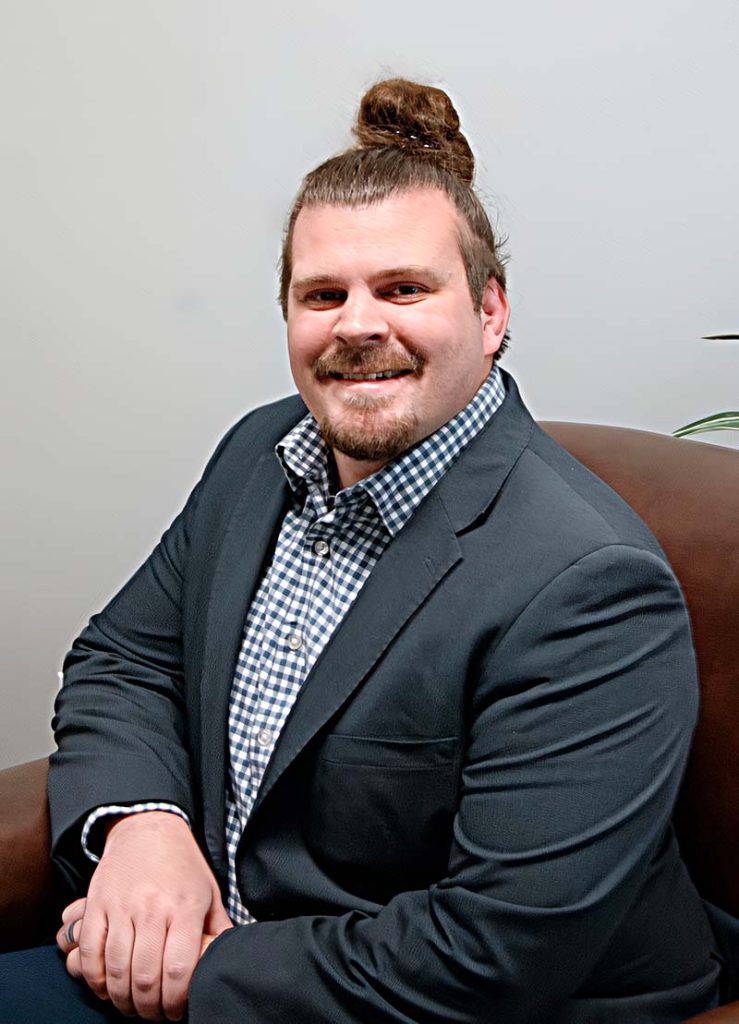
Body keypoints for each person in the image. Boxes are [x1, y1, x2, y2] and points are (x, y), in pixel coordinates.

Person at [0, 78, 724, 1023]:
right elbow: (126, 659)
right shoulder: (258, 452)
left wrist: (193, 972)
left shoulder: (590, 584)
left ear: (490, 312)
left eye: (403, 289)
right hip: (224, 950)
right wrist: (144, 829)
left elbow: (492, 953)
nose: (357, 324)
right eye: (322, 294)